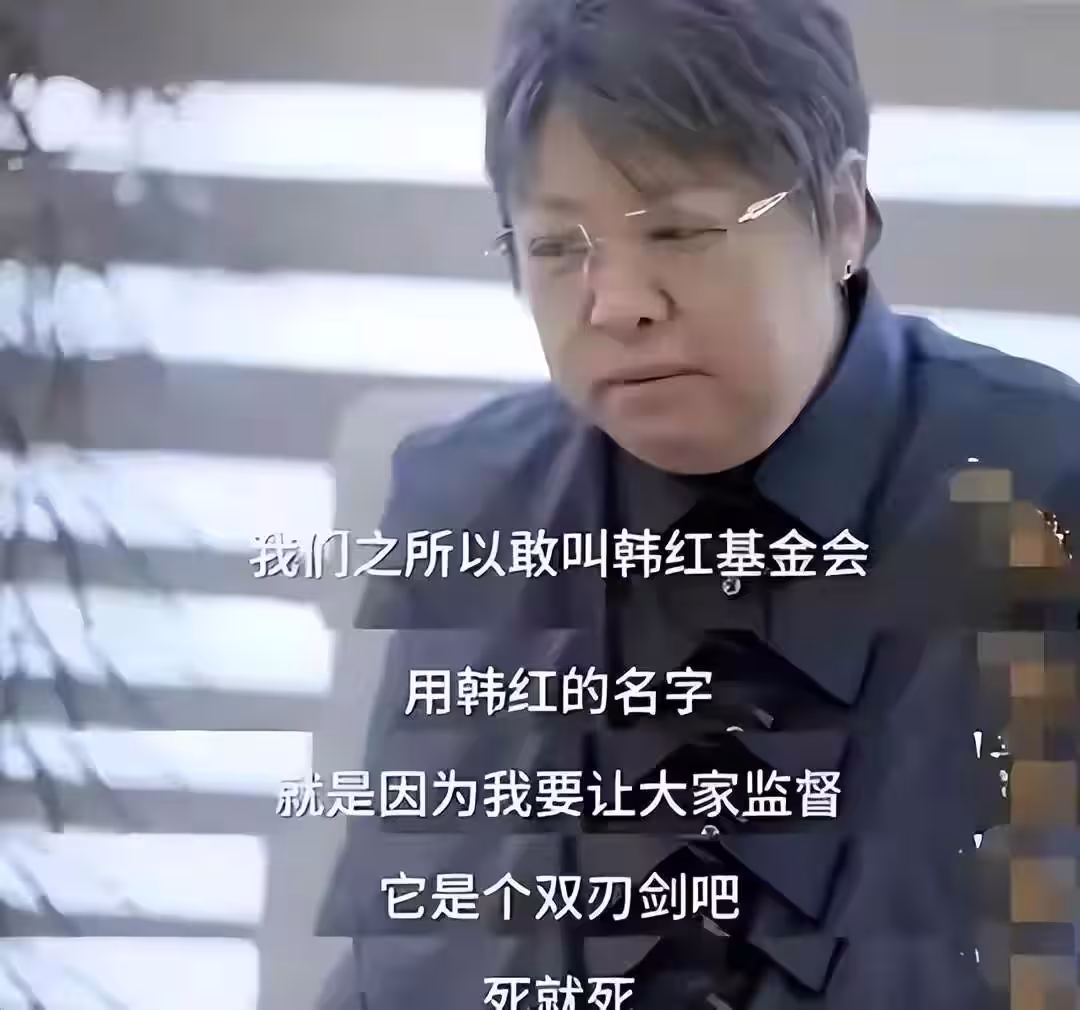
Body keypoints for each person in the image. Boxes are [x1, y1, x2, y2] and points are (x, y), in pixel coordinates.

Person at [317, 0, 1080, 1007]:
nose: (616, 302)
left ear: (844, 218)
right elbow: (401, 957)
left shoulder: (1044, 488)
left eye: (680, 230)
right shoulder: (466, 503)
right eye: (556, 249)